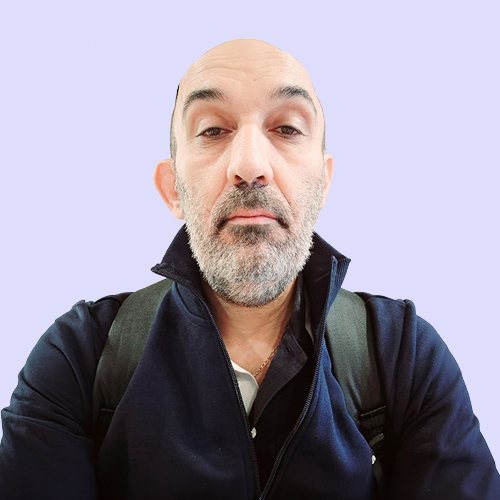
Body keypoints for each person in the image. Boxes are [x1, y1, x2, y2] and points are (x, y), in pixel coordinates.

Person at [0, 38, 498, 500]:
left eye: (287, 128)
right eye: (213, 130)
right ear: (173, 189)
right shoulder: (78, 358)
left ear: (323, 183)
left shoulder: (405, 356)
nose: (251, 164)